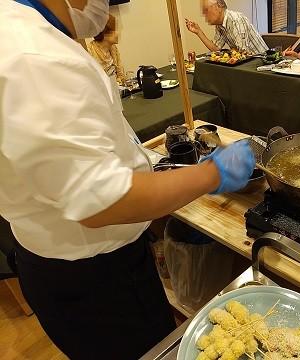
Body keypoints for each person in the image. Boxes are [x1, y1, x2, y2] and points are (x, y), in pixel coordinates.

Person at [0, 1, 255, 359]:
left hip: (57, 261)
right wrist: (212, 173)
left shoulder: (18, 29)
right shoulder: (34, 55)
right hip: (94, 279)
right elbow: (104, 200)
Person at [185, 0, 268, 54]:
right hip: (248, 64)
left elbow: (243, 53)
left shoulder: (236, 20)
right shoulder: (219, 25)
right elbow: (216, 49)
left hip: (262, 63)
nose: (204, 15)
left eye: (206, 10)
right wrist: (198, 32)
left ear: (219, 6)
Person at [87, 14, 126, 86]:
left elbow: (121, 75)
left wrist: (118, 82)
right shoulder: (90, 51)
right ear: (104, 33)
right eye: (114, 30)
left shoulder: (113, 49)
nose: (118, 33)